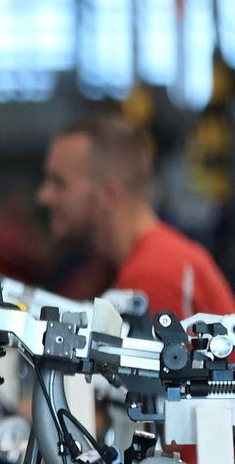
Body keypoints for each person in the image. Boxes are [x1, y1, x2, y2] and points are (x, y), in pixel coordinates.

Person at [37, 114, 235, 319]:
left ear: (108, 194)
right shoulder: (144, 262)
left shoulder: (150, 277)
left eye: (59, 183)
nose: (43, 196)